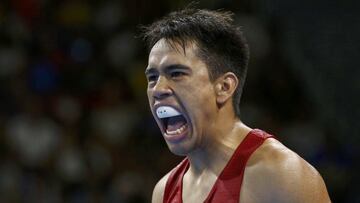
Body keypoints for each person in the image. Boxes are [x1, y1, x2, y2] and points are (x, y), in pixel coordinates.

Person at [141, 8, 331, 203]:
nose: (158, 89)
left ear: (224, 87)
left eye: (176, 73)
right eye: (152, 77)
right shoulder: (164, 191)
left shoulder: (280, 175)